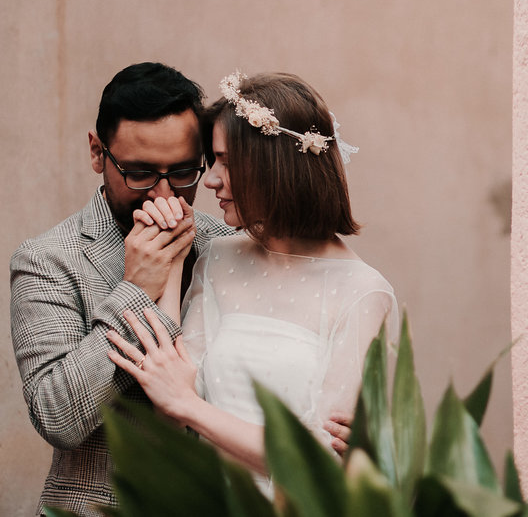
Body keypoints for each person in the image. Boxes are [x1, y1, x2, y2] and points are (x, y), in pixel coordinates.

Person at [105, 71, 398, 487]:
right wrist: (172, 260)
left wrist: (189, 407)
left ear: (274, 165)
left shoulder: (362, 292)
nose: (211, 180)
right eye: (213, 160)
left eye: (226, 161)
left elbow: (319, 463)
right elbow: (168, 405)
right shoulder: (219, 257)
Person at [9, 62, 237, 517]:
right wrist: (135, 288)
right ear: (98, 153)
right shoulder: (48, 259)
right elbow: (57, 416)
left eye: (184, 171)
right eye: (140, 173)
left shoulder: (228, 247)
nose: (163, 194)